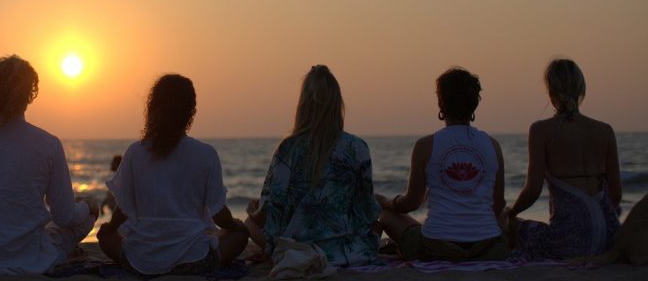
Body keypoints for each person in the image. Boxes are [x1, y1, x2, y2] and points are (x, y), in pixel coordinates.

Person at [0, 55, 99, 276]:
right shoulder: (48, 144)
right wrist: (87, 206)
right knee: (85, 215)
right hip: (31, 261)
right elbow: (64, 217)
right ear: (29, 95)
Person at [97, 74, 249, 276]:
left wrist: (110, 227)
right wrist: (235, 226)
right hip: (194, 260)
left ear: (152, 108)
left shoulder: (135, 152)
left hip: (141, 261)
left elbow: (123, 209)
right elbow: (218, 213)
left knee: (105, 238)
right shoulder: (206, 153)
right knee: (238, 237)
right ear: (190, 112)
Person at [245, 65, 380, 267]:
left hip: (297, 249)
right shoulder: (357, 147)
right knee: (378, 224)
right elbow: (365, 209)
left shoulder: (289, 147)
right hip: (346, 250)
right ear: (337, 104)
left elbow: (275, 207)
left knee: (248, 222)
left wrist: (255, 214)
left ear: (304, 104)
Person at [375, 67, 508, 262]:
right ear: (474, 104)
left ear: (441, 102)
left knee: (386, 216)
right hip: (486, 248)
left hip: (436, 248)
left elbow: (411, 203)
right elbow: (498, 204)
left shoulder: (425, 146)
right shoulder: (493, 145)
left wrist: (386, 202)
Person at [506, 58, 621, 259]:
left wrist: (511, 213)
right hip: (608, 237)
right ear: (581, 90)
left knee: (510, 225)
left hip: (569, 240)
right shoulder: (605, 130)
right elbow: (616, 195)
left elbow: (533, 191)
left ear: (550, 93)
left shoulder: (541, 130)